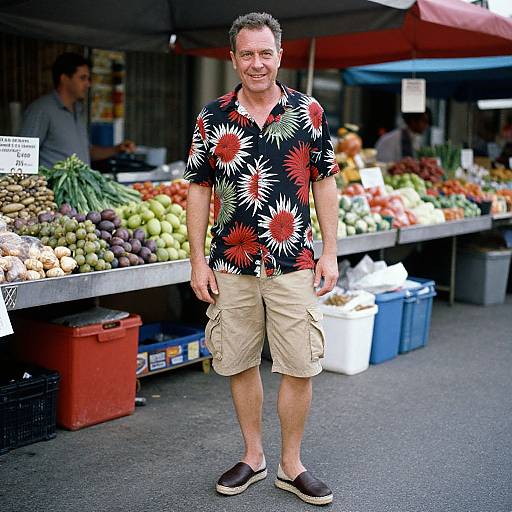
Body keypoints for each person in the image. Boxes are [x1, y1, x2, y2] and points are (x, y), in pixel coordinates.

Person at [184, 12, 339, 507]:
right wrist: (196, 262)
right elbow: (198, 190)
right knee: (238, 360)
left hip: (293, 263)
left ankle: (292, 465)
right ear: (232, 58)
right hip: (230, 262)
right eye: (246, 54)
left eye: (265, 53)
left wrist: (331, 253)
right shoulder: (212, 117)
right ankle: (253, 456)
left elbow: (325, 182)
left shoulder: (308, 112)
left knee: (299, 365)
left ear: (280, 55)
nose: (256, 63)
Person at [19, 52, 135, 168]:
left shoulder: (80, 111)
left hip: (81, 185)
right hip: (53, 186)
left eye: (88, 79)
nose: (88, 84)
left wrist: (117, 149)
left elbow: (87, 152)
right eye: (82, 78)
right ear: (64, 79)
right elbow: (23, 155)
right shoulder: (41, 110)